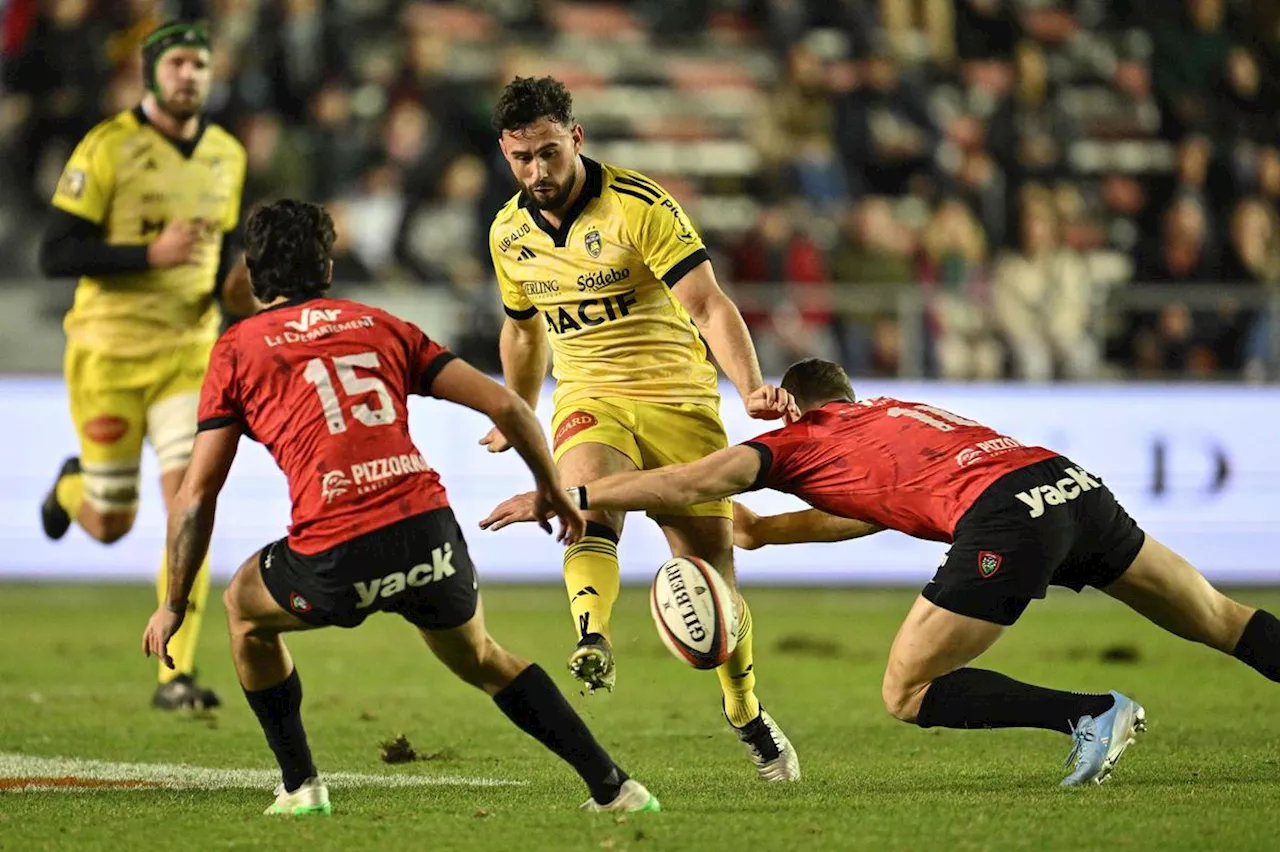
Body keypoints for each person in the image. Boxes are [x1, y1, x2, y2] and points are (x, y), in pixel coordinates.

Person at [483, 358, 1280, 786]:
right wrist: (761, 536)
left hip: (1007, 516)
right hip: (1069, 483)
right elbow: (868, 510)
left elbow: (688, 484)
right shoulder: (891, 412)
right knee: (1217, 616)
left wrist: (568, 491)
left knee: (907, 691)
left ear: (792, 408)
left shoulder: (794, 441)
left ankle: (1092, 714)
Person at [141, 199, 659, 817]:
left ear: (252, 276)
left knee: (244, 611)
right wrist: (550, 489)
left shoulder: (237, 348)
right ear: (328, 269)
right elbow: (511, 407)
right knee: (483, 658)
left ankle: (301, 787)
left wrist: (174, 603)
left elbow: (198, 494)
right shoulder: (379, 324)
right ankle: (615, 787)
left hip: (335, 548)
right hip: (427, 530)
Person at [483, 76, 800, 780]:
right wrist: (519, 407)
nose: (536, 172)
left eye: (547, 152)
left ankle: (743, 708)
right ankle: (592, 635)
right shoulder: (509, 232)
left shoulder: (640, 206)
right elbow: (523, 330)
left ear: (576, 137)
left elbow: (709, 305)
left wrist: (748, 386)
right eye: (520, 159)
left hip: (676, 400)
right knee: (584, 497)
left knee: (711, 574)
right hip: (590, 393)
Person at [38, 21, 254, 711]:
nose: (190, 75)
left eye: (200, 63)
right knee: (109, 523)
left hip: (186, 357)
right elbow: (56, 254)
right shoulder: (107, 147)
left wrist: (237, 295)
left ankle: (175, 675)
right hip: (107, 353)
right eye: (178, 63)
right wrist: (147, 258)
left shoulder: (227, 153)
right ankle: (73, 490)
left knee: (189, 501)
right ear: (150, 72)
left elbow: (216, 255)